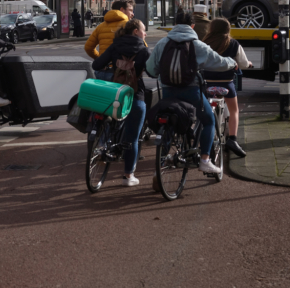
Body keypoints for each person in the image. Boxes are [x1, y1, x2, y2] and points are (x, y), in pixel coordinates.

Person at [146, 10, 237, 175]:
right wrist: (232, 63)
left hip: (168, 91)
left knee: (170, 119)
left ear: (175, 24)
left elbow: (151, 69)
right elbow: (219, 62)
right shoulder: (198, 45)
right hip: (191, 91)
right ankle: (205, 161)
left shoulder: (162, 43)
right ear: (192, 26)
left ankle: (162, 161)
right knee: (208, 120)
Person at [92, 19, 150, 186]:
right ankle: (128, 175)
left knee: (109, 118)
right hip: (134, 94)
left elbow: (97, 64)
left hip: (114, 93)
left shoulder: (115, 45)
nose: (145, 34)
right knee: (133, 137)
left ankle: (105, 144)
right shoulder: (143, 50)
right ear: (135, 32)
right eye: (143, 30)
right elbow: (153, 72)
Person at [202, 19, 252, 157]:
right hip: (226, 83)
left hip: (207, 83)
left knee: (203, 110)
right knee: (234, 110)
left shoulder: (204, 43)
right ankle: (233, 139)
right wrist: (248, 64)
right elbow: (243, 63)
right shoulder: (233, 43)